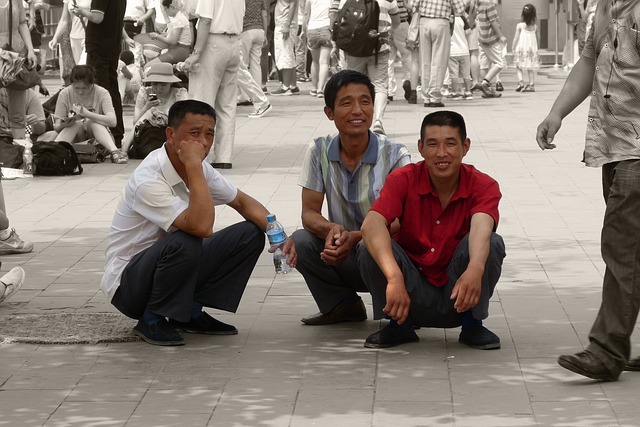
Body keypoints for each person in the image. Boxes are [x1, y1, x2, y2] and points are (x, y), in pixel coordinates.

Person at [101, 99, 297, 346]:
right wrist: (193, 165)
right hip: (129, 286)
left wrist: (278, 234)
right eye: (194, 134)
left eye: (209, 134)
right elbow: (201, 227)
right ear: (171, 135)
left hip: (170, 265)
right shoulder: (148, 178)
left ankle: (189, 313)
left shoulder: (200, 168)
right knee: (186, 239)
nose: (203, 143)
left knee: (249, 233)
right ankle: (151, 319)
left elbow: (242, 202)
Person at [536, 0, 640, 382]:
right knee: (635, 253)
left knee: (622, 249)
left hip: (638, 153)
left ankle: (607, 350)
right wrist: (556, 112)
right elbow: (588, 62)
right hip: (611, 148)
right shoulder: (603, 7)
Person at [358, 111, 505, 349]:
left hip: (460, 292)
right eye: (433, 144)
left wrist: (476, 268)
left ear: (465, 147)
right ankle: (399, 326)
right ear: (421, 148)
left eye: (450, 143)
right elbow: (371, 224)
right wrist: (394, 278)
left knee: (493, 242)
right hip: (408, 293)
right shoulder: (403, 179)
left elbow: (481, 225)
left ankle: (472, 325)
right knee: (367, 246)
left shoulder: (483, 184)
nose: (441, 153)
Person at [292, 70, 410, 326]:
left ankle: (396, 318)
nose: (358, 110)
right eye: (346, 103)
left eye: (365, 101)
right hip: (344, 253)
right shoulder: (319, 150)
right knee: (300, 241)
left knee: (370, 245)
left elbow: (402, 220)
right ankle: (343, 306)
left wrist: (355, 237)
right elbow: (309, 212)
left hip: (389, 256)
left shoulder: (395, 154)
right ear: (329, 113)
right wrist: (332, 230)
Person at [184, 0, 244, 169]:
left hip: (214, 42)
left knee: (201, 101)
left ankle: (199, 152)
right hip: (233, 42)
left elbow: (205, 20)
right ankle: (223, 156)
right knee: (227, 105)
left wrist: (196, 52)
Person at [330, 0, 400, 134]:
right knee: (380, 86)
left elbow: (339, 20)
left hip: (354, 49)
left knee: (352, 86)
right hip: (379, 47)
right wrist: (388, 32)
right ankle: (378, 121)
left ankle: (353, 120)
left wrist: (335, 43)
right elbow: (397, 22)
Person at [70, 0, 126, 148]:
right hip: (112, 46)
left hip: (99, 47)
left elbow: (97, 17)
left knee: (101, 90)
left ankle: (105, 133)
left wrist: (82, 12)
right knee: (112, 89)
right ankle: (116, 133)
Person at [53, 65, 128, 164]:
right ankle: (52, 152)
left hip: (99, 142)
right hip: (75, 140)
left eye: (84, 88)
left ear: (92, 84)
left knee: (91, 121)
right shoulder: (64, 94)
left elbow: (113, 121)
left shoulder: (102, 93)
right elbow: (56, 127)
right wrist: (64, 124)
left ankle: (114, 151)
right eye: (76, 88)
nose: (80, 92)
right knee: (77, 123)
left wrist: (88, 114)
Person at [121, 62, 187, 156]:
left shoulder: (180, 93)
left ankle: (125, 150)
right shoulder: (145, 91)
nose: (158, 88)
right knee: (149, 113)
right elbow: (136, 122)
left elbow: (184, 119)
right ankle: (124, 149)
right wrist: (147, 107)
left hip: (171, 131)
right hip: (148, 133)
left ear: (170, 83)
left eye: (163, 85)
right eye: (155, 84)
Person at [410, 0, 465, 108]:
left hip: (424, 22)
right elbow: (460, 8)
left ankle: (426, 97)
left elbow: (414, 5)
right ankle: (434, 96)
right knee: (439, 60)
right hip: (441, 22)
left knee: (425, 61)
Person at [1, 0, 38, 148]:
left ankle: (19, 150)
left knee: (18, 108)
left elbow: (22, 23)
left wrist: (30, 49)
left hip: (15, 53)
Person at [472, 0, 505, 98]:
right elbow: (493, 22)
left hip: (481, 37)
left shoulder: (478, 4)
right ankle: (484, 83)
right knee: (499, 63)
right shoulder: (489, 5)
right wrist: (501, 36)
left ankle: (487, 91)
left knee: (484, 64)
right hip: (490, 38)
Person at [145, 0, 192, 66]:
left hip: (179, 50)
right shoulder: (179, 16)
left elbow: (173, 41)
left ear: (171, 6)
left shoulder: (178, 19)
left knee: (148, 65)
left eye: (165, 9)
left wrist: (157, 36)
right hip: (179, 49)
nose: (166, 12)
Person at [302, 0, 331, 98]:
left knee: (315, 61)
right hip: (326, 28)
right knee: (324, 62)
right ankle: (320, 89)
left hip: (312, 28)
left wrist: (303, 30)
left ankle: (314, 88)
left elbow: (306, 14)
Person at [271, 0, 300, 96]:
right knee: (289, 54)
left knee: (284, 55)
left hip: (285, 24)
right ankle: (292, 86)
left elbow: (293, 5)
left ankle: (285, 87)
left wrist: (287, 24)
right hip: (286, 23)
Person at [512, 3, 539, 93]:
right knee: (530, 67)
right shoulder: (535, 27)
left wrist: (513, 47)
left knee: (518, 65)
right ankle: (531, 84)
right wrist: (537, 48)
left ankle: (520, 82)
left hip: (521, 49)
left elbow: (516, 38)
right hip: (531, 51)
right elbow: (538, 38)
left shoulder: (520, 26)